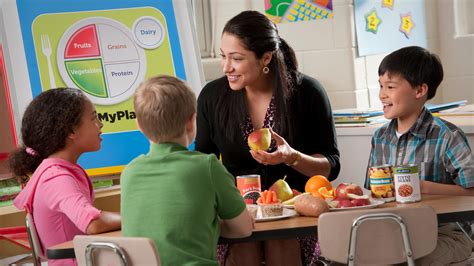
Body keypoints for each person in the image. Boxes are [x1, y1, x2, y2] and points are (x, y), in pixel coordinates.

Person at [195, 10, 340, 265]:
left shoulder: (308, 92)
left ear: (266, 58)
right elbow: (201, 160)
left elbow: (331, 165)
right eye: (223, 56)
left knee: (280, 243)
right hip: (238, 214)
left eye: (236, 59)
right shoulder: (212, 96)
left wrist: (293, 158)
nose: (226, 67)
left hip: (294, 214)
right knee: (243, 248)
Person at [120, 75, 253, 265]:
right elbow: (243, 229)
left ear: (140, 126)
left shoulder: (130, 173)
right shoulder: (207, 166)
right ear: (191, 121)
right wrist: (211, 224)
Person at [364, 46, 474, 265]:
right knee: (343, 257)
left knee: (404, 259)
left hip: (446, 235)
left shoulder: (447, 136)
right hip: (393, 231)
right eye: (381, 86)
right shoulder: (380, 137)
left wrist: (422, 187)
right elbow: (373, 193)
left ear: (420, 90)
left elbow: (471, 192)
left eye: (390, 86)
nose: (382, 94)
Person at [11, 88, 121, 266]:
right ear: (71, 130)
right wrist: (138, 217)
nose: (100, 124)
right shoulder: (56, 178)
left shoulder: (62, 171)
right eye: (93, 118)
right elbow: (93, 223)